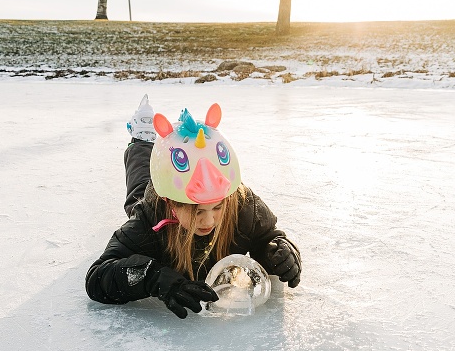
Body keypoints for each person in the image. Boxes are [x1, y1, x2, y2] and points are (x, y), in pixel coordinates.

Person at [85, 95, 301, 319]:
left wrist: (281, 254)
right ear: (172, 205)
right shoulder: (149, 218)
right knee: (138, 189)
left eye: (217, 208)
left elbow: (269, 238)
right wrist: (153, 277)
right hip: (155, 196)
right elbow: (97, 278)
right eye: (197, 211)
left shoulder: (244, 207)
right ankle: (143, 138)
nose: (209, 222)